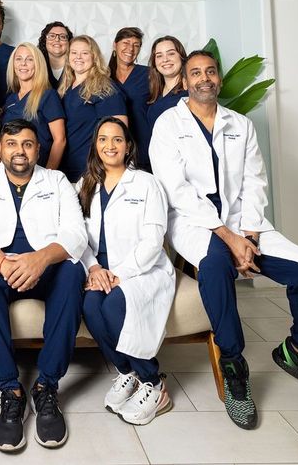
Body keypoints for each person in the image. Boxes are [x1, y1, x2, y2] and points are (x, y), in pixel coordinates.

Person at [149, 50, 298, 430]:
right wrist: (228, 237)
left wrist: (251, 234)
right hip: (194, 224)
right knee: (216, 267)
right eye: (196, 73)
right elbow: (176, 190)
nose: (204, 78)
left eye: (210, 72)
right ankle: (234, 367)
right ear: (185, 81)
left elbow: (255, 181)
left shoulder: (239, 124)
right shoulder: (168, 124)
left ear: (219, 79)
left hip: (246, 222)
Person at [0, 119, 87, 451]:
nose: (20, 151)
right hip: (1, 267)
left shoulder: (56, 180)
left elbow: (76, 232)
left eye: (28, 144)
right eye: (12, 144)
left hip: (43, 266)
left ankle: (46, 387)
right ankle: (10, 390)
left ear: (38, 150)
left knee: (73, 272)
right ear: (0, 148)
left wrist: (41, 259)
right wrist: (3, 262)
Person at [77, 117, 175, 425]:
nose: (110, 145)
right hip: (99, 269)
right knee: (91, 306)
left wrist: (120, 273)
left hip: (141, 269)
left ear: (128, 145)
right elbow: (77, 235)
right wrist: (94, 269)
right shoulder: (84, 185)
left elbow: (153, 240)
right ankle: (127, 372)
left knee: (115, 304)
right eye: (103, 139)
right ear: (95, 145)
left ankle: (155, 385)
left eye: (117, 139)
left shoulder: (147, 184)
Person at [58, 35, 127, 183]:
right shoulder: (66, 88)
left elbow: (120, 132)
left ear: (94, 56)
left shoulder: (105, 88)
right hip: (66, 166)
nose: (78, 57)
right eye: (74, 52)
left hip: (91, 170)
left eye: (85, 53)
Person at [3, 42, 66, 169]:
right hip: (12, 171)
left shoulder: (48, 96)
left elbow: (60, 140)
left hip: (39, 168)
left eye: (29, 59)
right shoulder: (10, 99)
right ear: (13, 64)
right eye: (19, 59)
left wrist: (48, 173)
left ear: (38, 64)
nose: (23, 63)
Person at [109, 27, 152, 171]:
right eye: (126, 43)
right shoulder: (103, 76)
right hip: (112, 148)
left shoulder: (149, 75)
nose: (131, 49)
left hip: (144, 145)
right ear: (115, 45)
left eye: (136, 45)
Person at [146, 35, 188, 132]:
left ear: (181, 57)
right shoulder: (155, 93)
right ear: (154, 62)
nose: (165, 59)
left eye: (171, 54)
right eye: (159, 56)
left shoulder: (189, 93)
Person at [37, 21, 73, 90]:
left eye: (62, 36)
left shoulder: (77, 66)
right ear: (45, 41)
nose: (57, 39)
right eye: (52, 36)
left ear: (69, 42)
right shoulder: (37, 66)